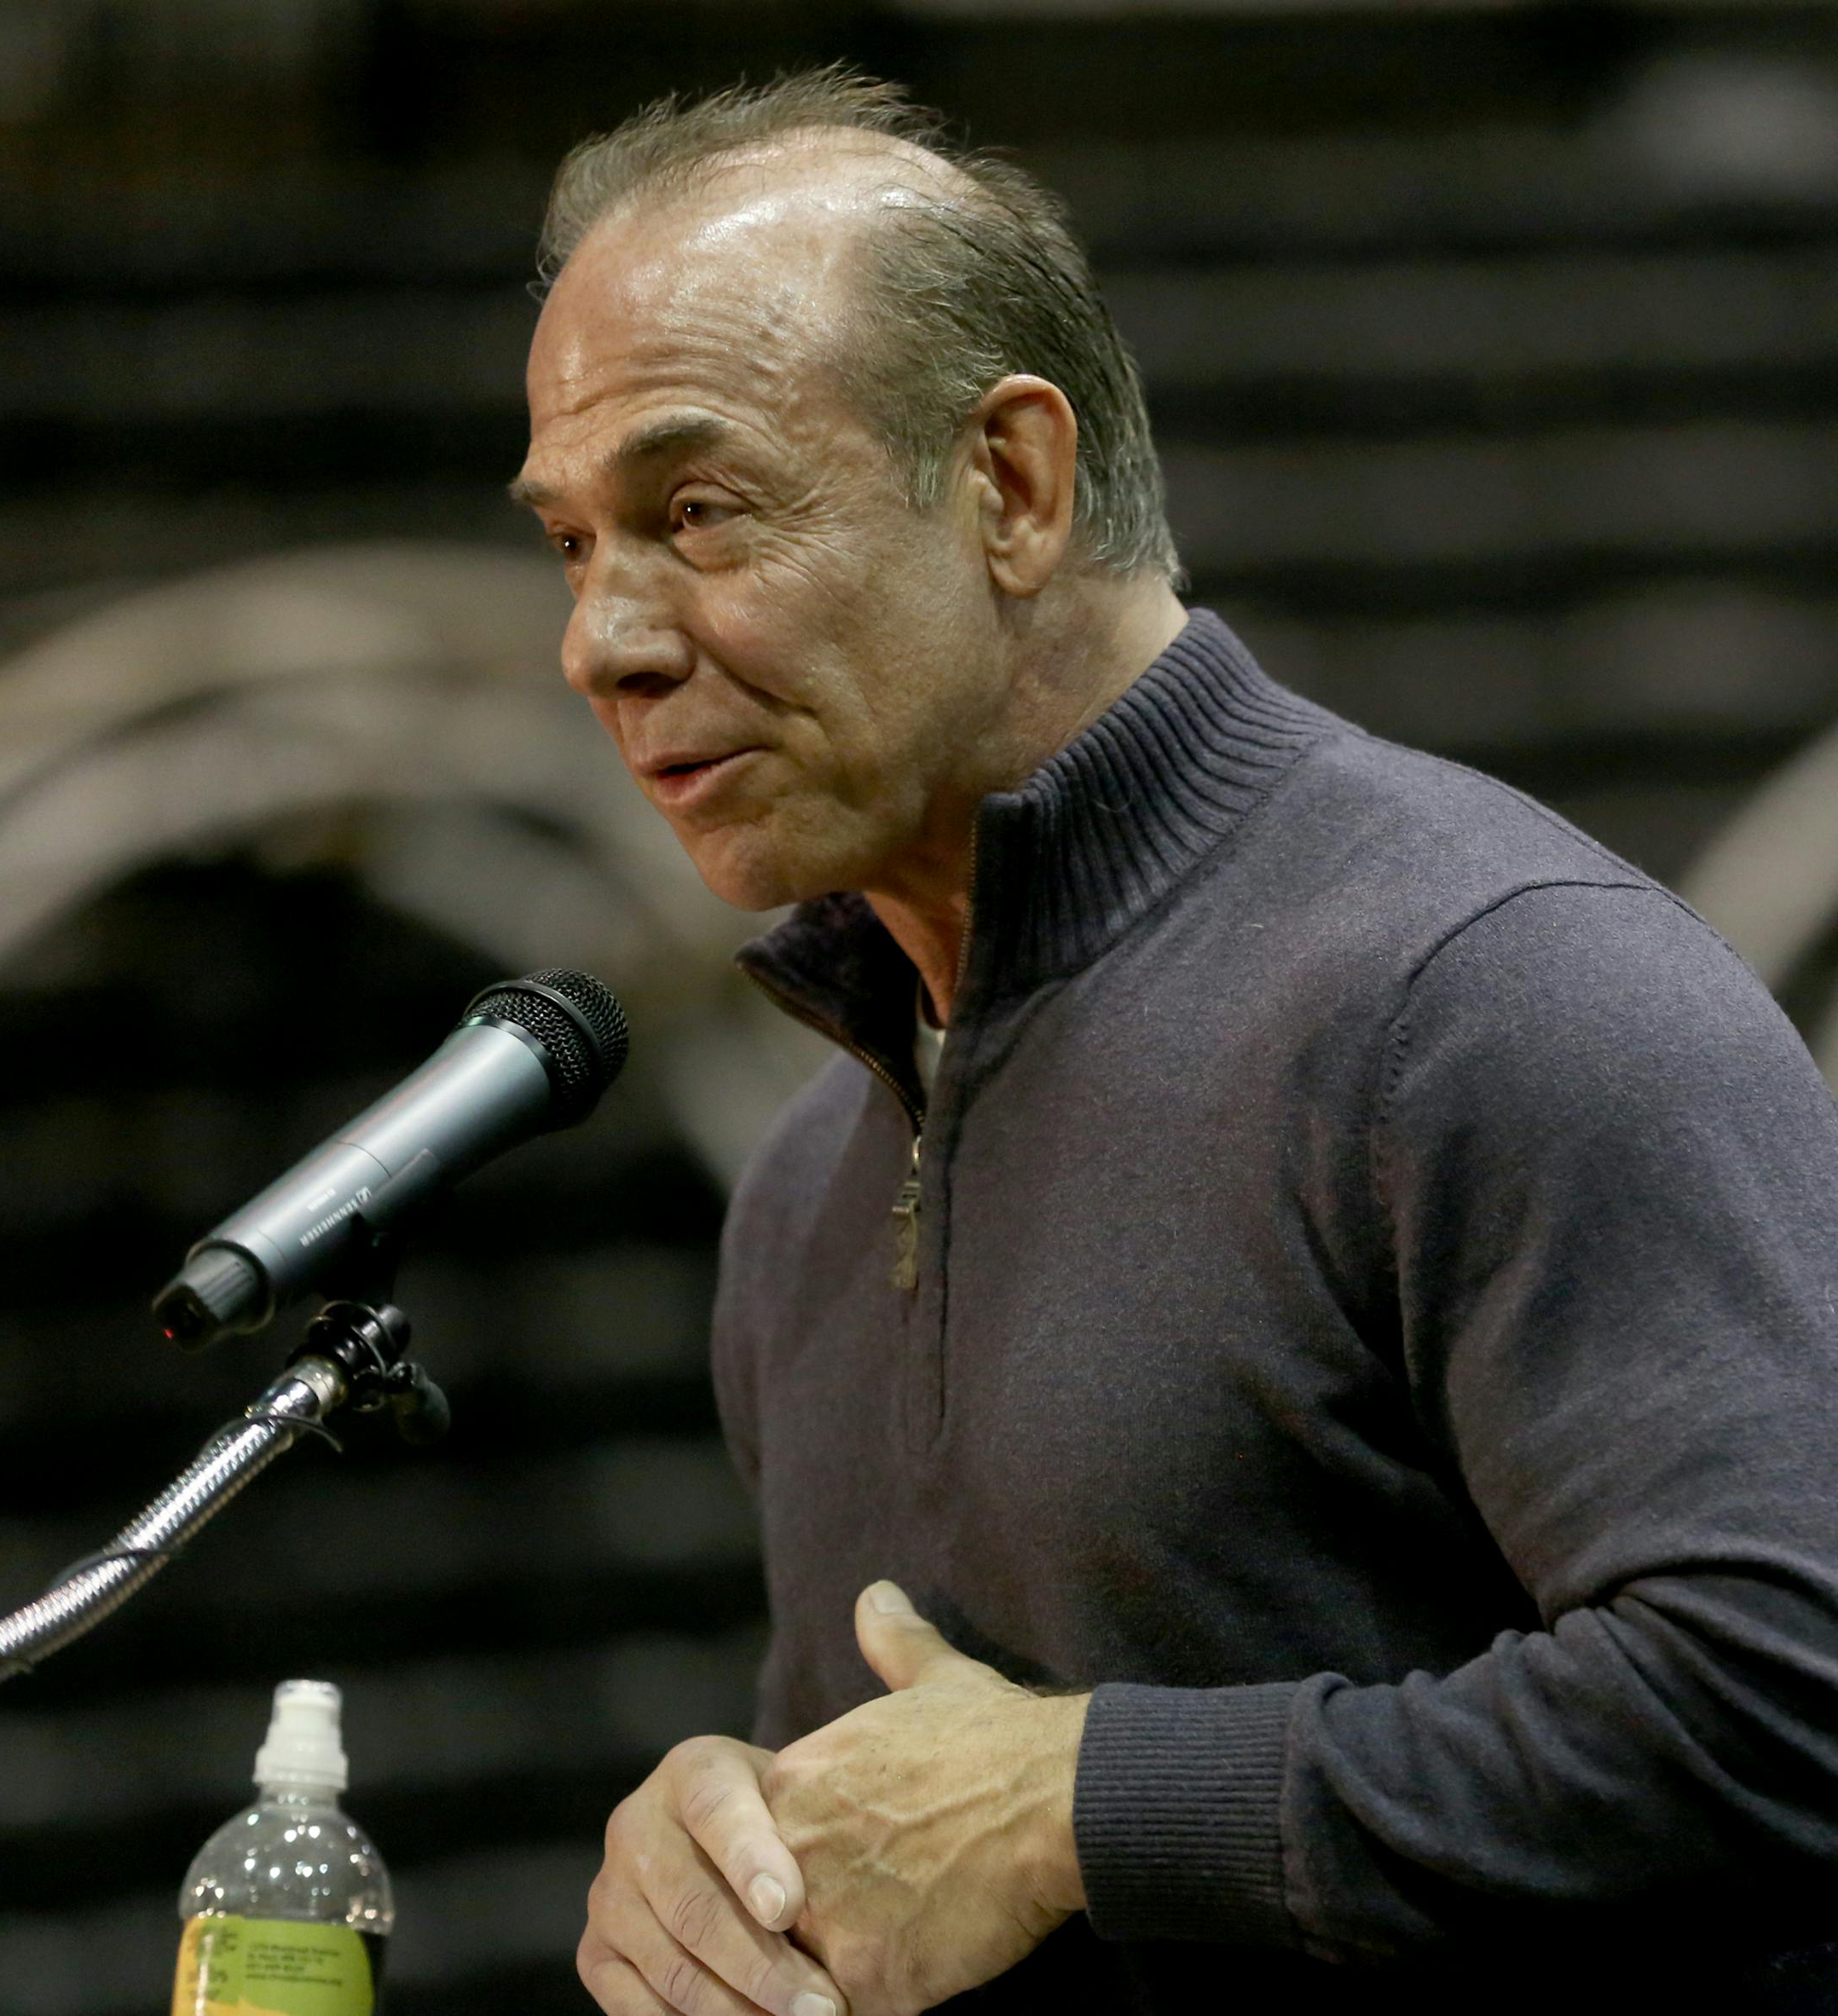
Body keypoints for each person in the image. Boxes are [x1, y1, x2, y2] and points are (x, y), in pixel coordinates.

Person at [511, 67, 1838, 2016]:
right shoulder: (808, 1178)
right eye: (567, 543)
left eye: (697, 509)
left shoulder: (1491, 990)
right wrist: (734, 1870)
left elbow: (1790, 1688)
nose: (603, 639)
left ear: (1013, 487)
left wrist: (1083, 1802)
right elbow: (927, 1829)